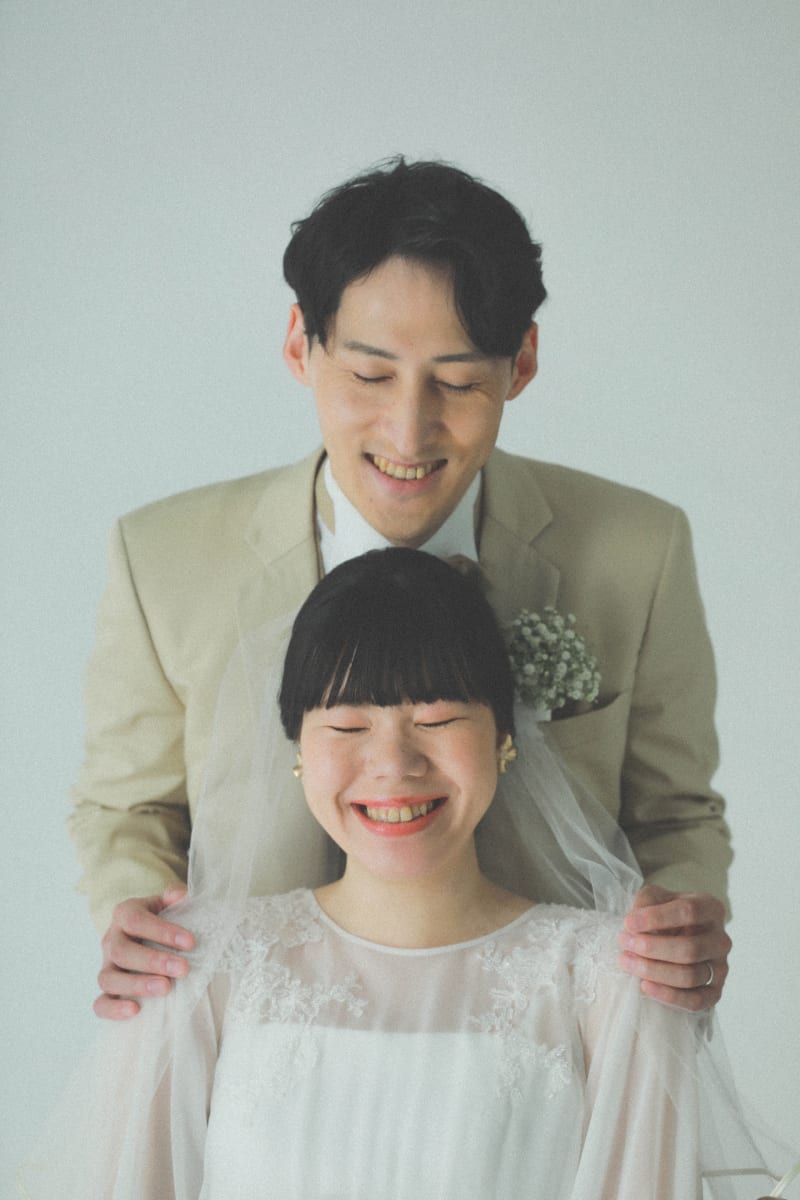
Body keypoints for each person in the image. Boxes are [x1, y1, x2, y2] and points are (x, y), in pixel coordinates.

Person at [71, 157, 731, 1020]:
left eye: (457, 382)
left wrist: (682, 919)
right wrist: (133, 910)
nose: (409, 432)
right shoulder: (161, 557)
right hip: (252, 1041)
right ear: (300, 345)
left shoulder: (639, 550)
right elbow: (127, 806)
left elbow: (676, 814)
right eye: (370, 376)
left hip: (551, 1040)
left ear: (522, 363)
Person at [20, 550, 791, 1198]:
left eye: (438, 720)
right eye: (347, 725)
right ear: (296, 749)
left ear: (505, 737)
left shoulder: (612, 981)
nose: (393, 764)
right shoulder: (195, 965)